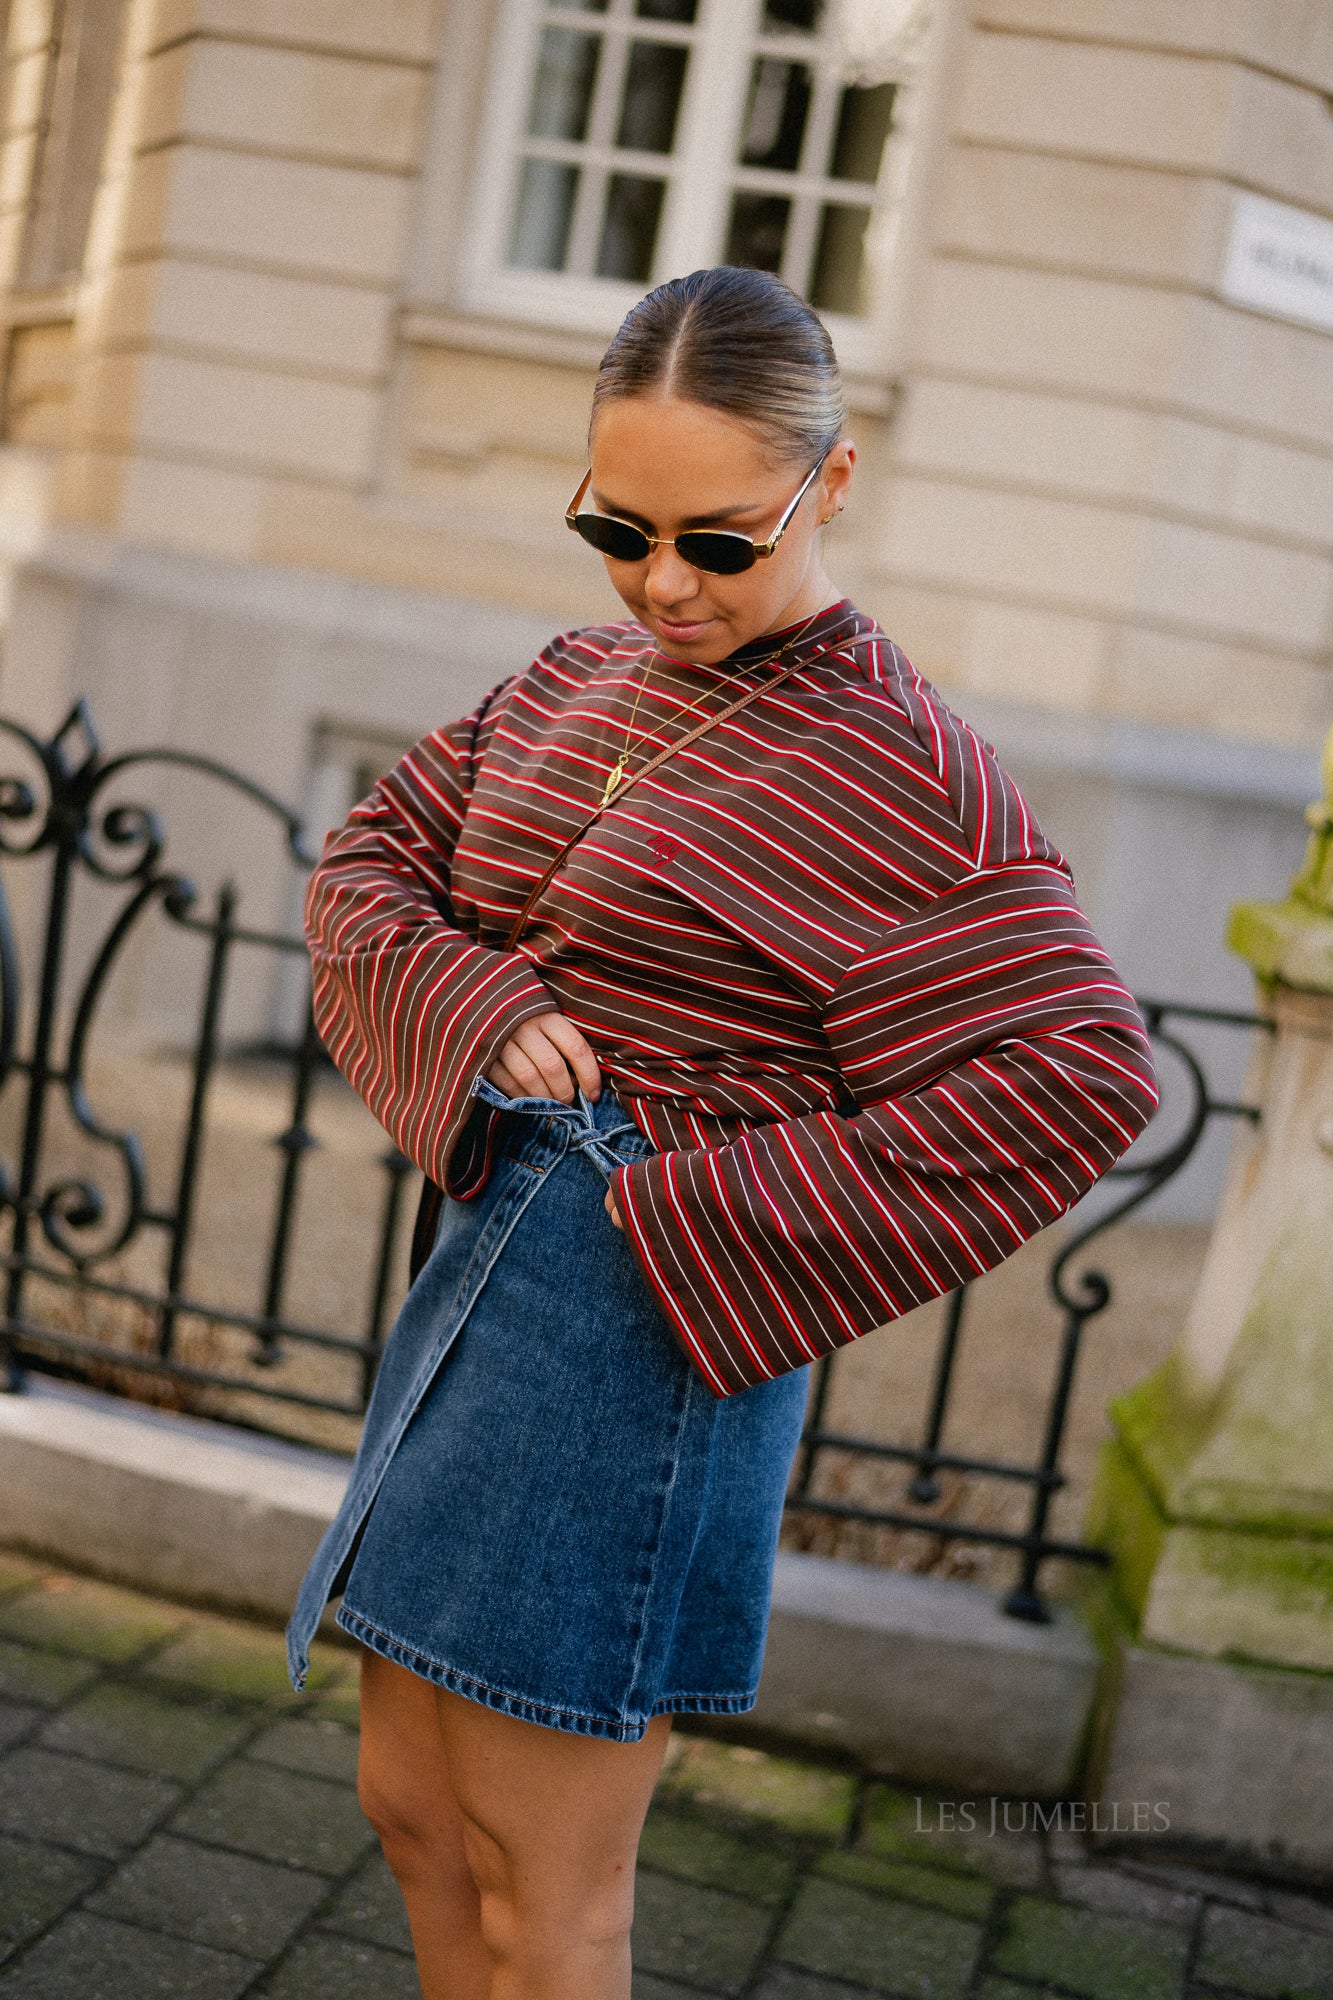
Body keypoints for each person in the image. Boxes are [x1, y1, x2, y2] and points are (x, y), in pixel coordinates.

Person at [286, 265, 1157, 1999]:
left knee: (547, 1882)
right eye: (617, 528)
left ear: (828, 486)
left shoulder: (904, 768)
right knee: (408, 1808)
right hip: (474, 1279)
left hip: (641, 1332)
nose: (661, 583)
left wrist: (687, 1209)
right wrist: (471, 1010)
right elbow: (366, 865)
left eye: (718, 540)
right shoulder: (572, 677)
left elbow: (1078, 1075)